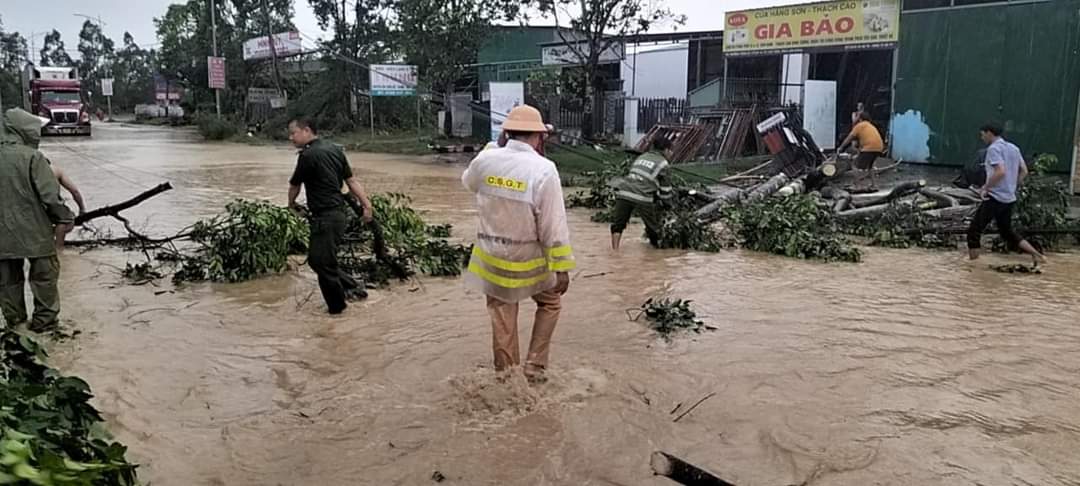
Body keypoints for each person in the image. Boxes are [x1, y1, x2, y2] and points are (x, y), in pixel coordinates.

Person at [462, 105, 575, 383]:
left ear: (506, 133)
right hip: (530, 262)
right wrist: (561, 269)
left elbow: (468, 182)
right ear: (539, 137)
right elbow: (553, 226)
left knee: (502, 316)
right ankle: (534, 368)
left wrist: (489, 151)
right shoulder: (544, 169)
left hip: (492, 260)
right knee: (550, 303)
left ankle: (508, 378)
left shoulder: (485, 161)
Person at [286, 117, 375, 315]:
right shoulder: (335, 150)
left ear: (307, 131)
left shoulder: (307, 156)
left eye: (293, 133)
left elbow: (295, 185)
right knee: (319, 261)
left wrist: (291, 204)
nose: (291, 137)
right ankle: (353, 288)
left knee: (321, 262)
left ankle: (337, 311)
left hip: (325, 217)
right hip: (338, 215)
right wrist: (367, 206)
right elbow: (351, 181)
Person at [0, 108, 75, 331]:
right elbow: (50, 197)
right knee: (44, 279)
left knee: (7, 283)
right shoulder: (33, 157)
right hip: (36, 233)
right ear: (23, 130)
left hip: (2, 237)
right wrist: (65, 218)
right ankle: (45, 325)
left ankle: (16, 328)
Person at [967, 122, 1045, 263]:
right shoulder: (1013, 148)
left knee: (974, 231)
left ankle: (973, 266)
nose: (982, 137)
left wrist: (985, 188)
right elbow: (1024, 171)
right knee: (1007, 232)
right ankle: (1038, 256)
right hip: (1009, 198)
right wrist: (1012, 186)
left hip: (995, 197)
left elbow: (1000, 171)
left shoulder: (993, 149)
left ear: (989, 133)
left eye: (982, 134)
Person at [608, 137, 675, 250]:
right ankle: (657, 253)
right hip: (642, 197)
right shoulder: (664, 164)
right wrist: (668, 206)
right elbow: (666, 191)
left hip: (623, 192)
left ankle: (615, 251)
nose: (672, 154)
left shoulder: (642, 157)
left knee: (618, 224)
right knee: (653, 229)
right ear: (666, 150)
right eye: (671, 151)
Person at [838, 111, 885, 190]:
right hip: (879, 147)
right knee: (870, 166)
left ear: (860, 119)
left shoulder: (859, 126)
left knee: (854, 165)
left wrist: (841, 147)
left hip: (869, 148)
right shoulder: (870, 125)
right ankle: (874, 185)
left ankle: (857, 186)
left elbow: (849, 138)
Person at [52, 165, 86, 251]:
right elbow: (75, 191)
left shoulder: (27, 171)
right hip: (50, 203)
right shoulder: (55, 170)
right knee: (66, 221)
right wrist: (82, 208)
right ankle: (59, 248)